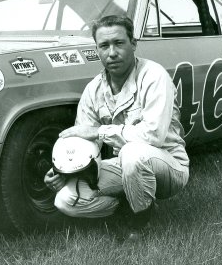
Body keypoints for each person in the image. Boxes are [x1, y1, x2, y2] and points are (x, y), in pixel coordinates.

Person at [44, 15, 189, 236]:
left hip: (168, 165)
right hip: (124, 166)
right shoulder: (93, 89)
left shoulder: (154, 75)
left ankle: (139, 227)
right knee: (65, 200)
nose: (112, 52)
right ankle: (125, 206)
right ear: (97, 49)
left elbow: (154, 136)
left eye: (119, 43)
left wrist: (99, 131)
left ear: (133, 44)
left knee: (133, 153)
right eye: (104, 45)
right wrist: (62, 170)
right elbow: (83, 145)